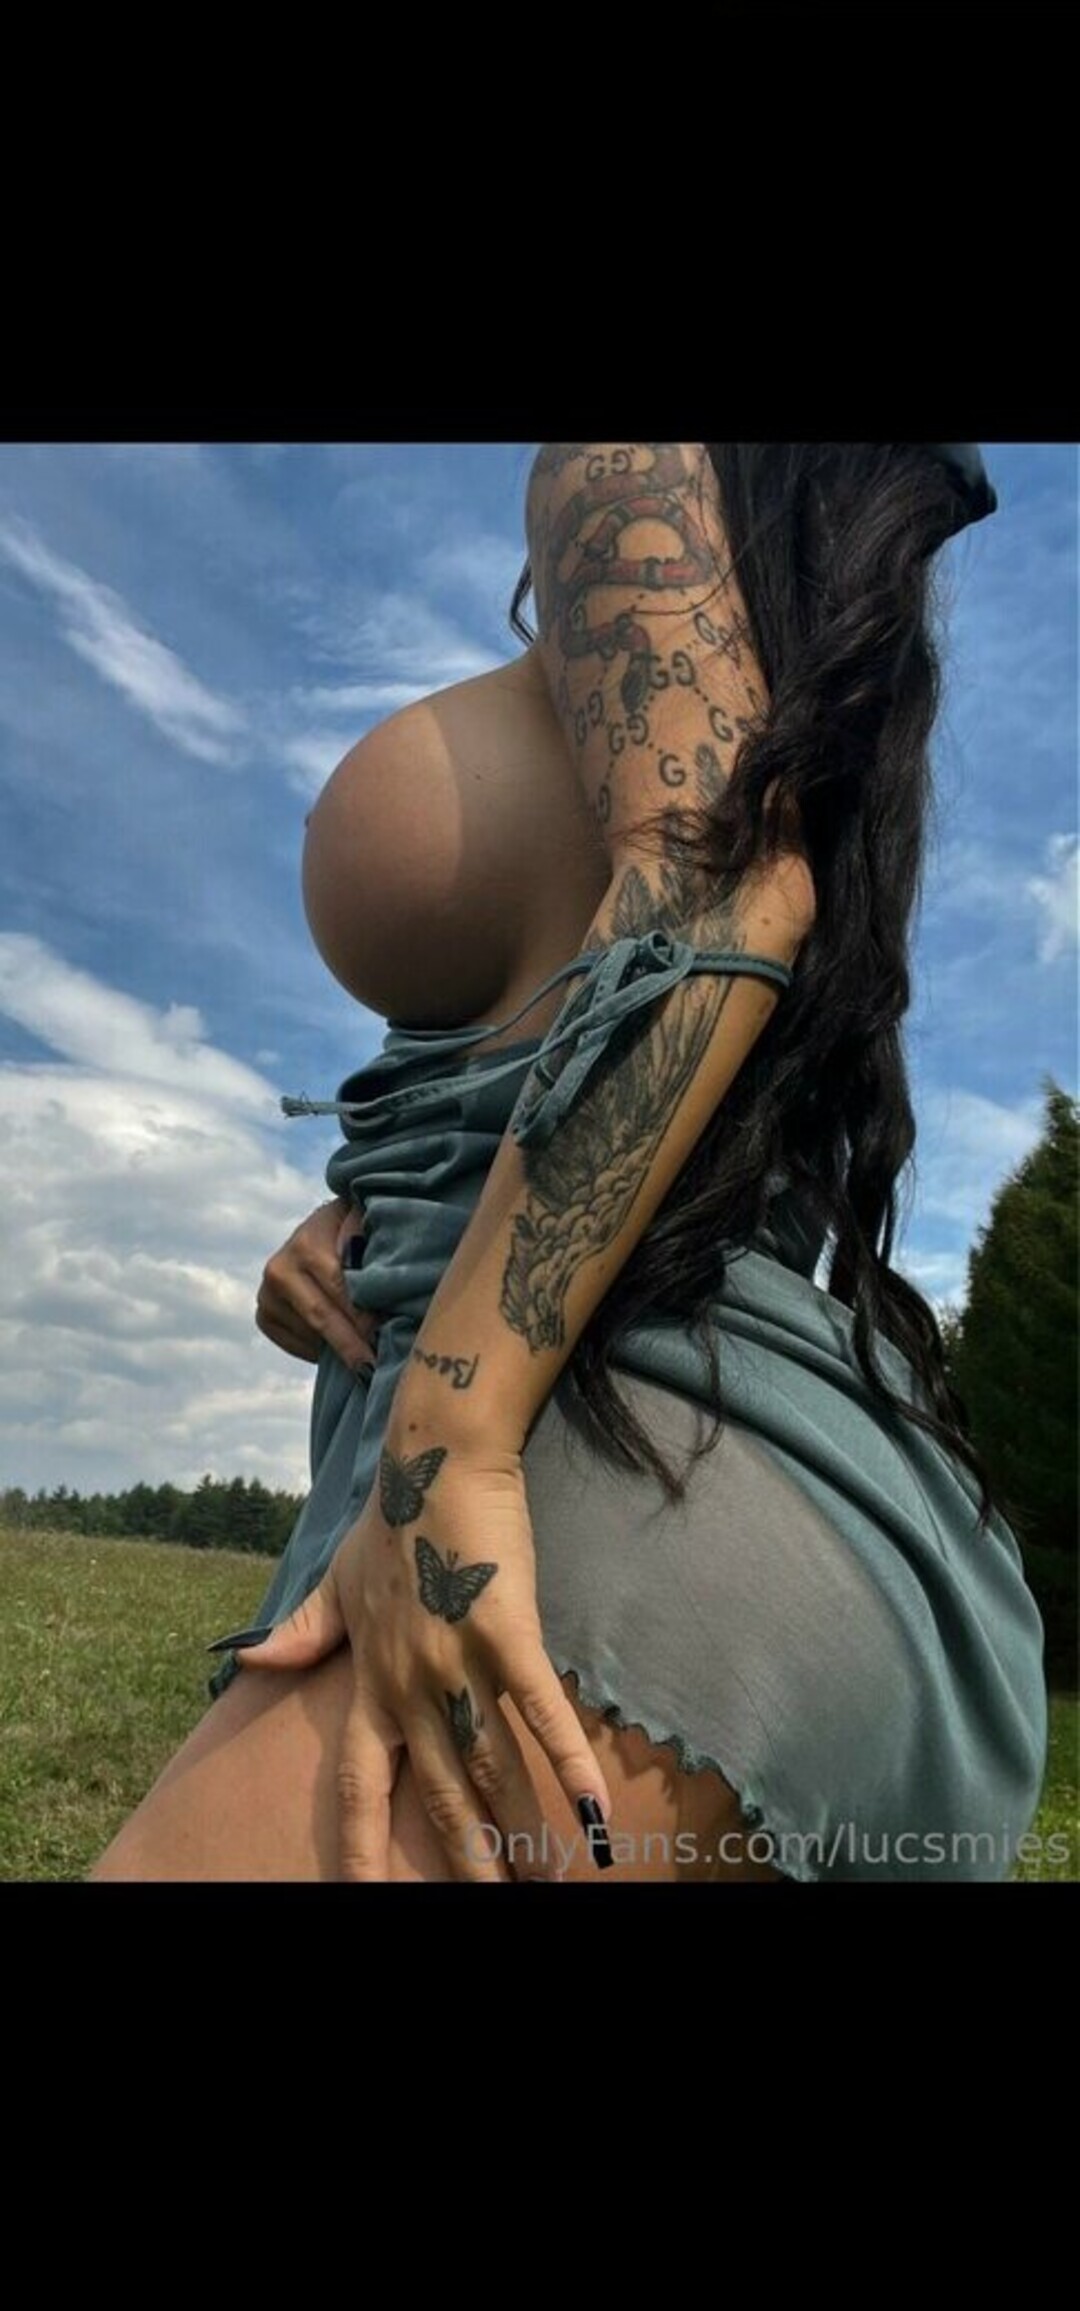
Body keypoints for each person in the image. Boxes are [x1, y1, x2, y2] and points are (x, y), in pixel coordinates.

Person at [88, 441, 1048, 1885]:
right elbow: (654, 1014)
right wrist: (375, 1211)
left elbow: (716, 893)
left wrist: (447, 1437)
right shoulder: (789, 620)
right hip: (690, 1460)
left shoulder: (630, 458)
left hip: (600, 1476)